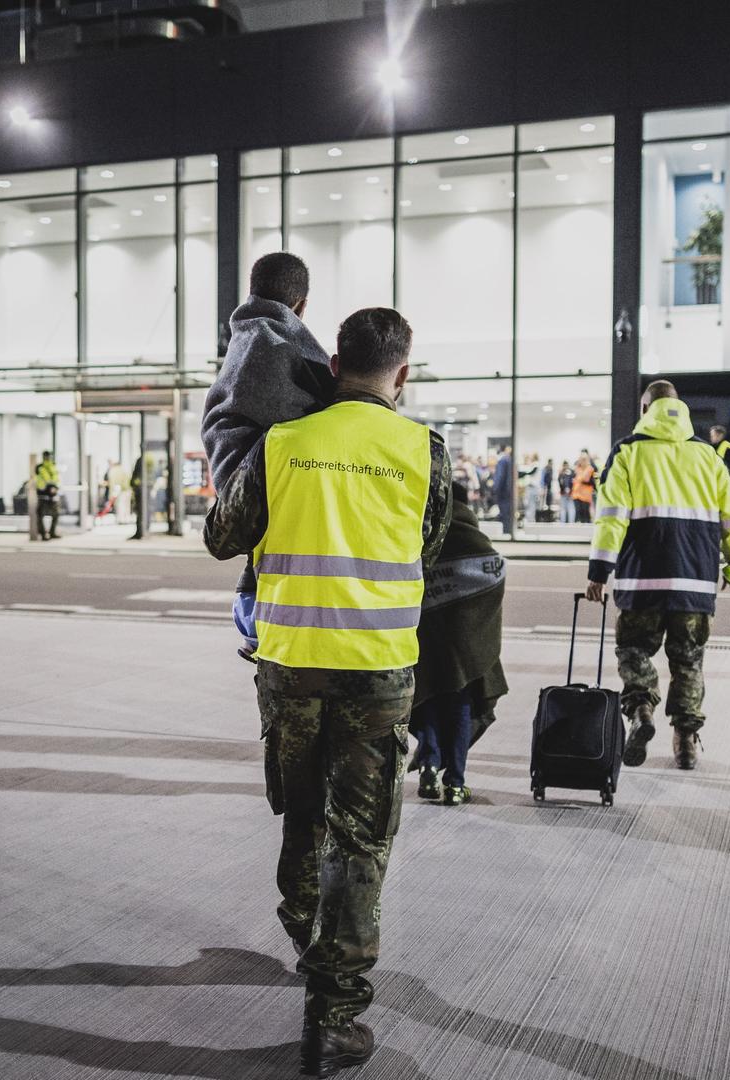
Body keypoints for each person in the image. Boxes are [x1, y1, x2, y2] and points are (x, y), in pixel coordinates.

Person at [204, 307, 452, 1077]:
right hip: (376, 670)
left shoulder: (282, 443)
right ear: (402, 374)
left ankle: (303, 927)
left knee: (303, 812)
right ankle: (334, 1013)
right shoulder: (425, 452)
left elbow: (222, 537)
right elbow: (428, 548)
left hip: (291, 665)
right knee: (362, 836)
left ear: (334, 360)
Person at [587, 380, 730, 771]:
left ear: (645, 408)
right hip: (694, 585)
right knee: (689, 662)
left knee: (634, 652)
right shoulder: (708, 457)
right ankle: (685, 742)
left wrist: (599, 571)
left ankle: (642, 709)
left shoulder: (628, 452)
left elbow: (610, 518)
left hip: (641, 583)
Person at [200, 252, 338, 656]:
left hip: (255, 543)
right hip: (283, 563)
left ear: (251, 291)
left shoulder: (240, 346)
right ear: (302, 306)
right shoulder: (285, 351)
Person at [408, 483, 507, 806]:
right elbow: (494, 573)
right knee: (461, 706)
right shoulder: (474, 536)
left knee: (426, 700)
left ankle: (429, 762)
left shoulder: (423, 531)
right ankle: (455, 783)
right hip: (465, 646)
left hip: (426, 636)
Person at [32, 451, 61, 540]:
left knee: (55, 514)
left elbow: (56, 479)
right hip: (43, 494)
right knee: (41, 515)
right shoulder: (40, 467)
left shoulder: (53, 466)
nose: (47, 458)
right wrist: (52, 487)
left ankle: (51, 533)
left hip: (51, 494)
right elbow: (44, 479)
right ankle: (44, 534)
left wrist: (55, 487)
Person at [492, 446, 515, 531]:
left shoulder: (502, 461)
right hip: (509, 492)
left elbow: (499, 477)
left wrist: (495, 489)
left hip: (503, 492)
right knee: (508, 515)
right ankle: (508, 531)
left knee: (504, 514)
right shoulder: (510, 460)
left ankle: (505, 532)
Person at [570, 451, 597, 523]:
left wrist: (583, 481)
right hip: (576, 495)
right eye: (581, 459)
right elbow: (572, 479)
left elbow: (593, 482)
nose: (582, 461)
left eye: (584, 459)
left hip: (586, 496)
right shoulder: (576, 469)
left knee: (585, 514)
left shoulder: (591, 469)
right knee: (578, 512)